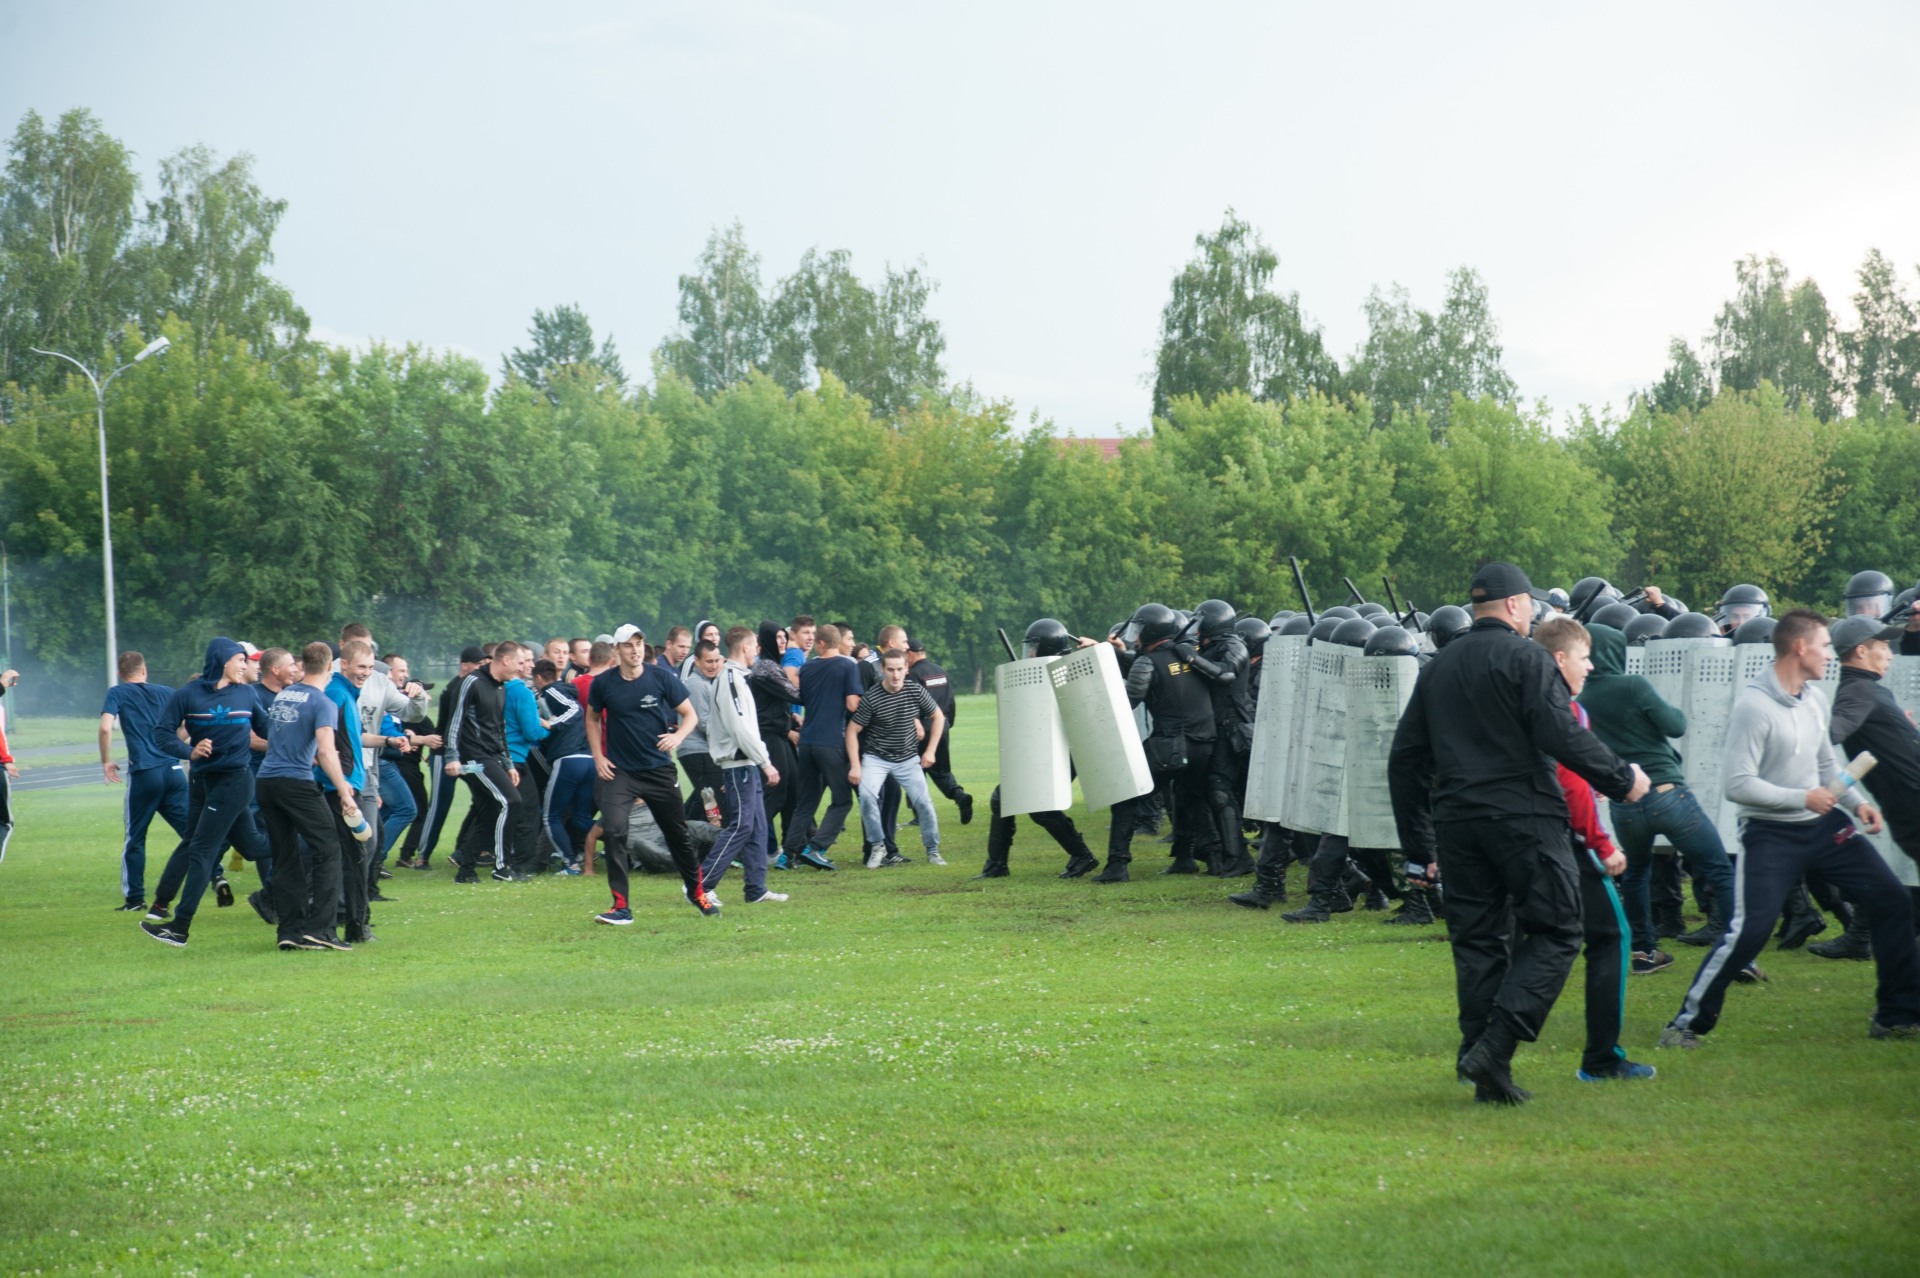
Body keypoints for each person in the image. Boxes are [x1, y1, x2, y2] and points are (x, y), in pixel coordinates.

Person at [1388, 562, 1649, 1105]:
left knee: (1479, 942)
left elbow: (1405, 760)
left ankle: (1483, 1066)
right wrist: (1622, 778)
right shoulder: (1529, 658)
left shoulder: (1438, 666)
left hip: (1457, 823)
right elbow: (1560, 734)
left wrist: (1419, 847)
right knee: (1559, 930)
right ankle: (1495, 1047)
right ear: (1513, 605)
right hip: (1524, 817)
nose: (1532, 612)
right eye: (1528, 603)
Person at [1660, 609, 1920, 1047]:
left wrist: (1856, 803)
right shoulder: (1754, 706)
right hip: (1770, 834)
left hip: (1826, 828)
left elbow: (1825, 765)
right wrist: (1802, 798)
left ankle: (1895, 1017)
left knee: (1892, 900)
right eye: (1824, 646)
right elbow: (1737, 785)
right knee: (1751, 930)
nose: (1830, 656)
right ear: (1800, 648)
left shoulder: (1814, 698)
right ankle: (1684, 1025)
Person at [1577, 622, 1741, 975]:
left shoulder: (1582, 701)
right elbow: (1675, 725)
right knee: (1717, 868)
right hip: (1667, 793)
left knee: (1637, 873)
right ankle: (1738, 954)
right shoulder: (1632, 685)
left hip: (1625, 804)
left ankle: (1643, 952)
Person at [1533, 616, 1656, 1082]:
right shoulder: (1566, 710)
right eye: (1584, 658)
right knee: (1611, 937)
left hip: (1512, 837)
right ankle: (1601, 1059)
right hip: (1564, 842)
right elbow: (1570, 785)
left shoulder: (1517, 704)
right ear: (1559, 659)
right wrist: (1602, 844)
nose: (1589, 668)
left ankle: (1484, 1051)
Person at [138, 638, 274, 947]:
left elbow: (268, 729)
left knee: (201, 849)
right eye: (240, 660)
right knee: (253, 847)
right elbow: (161, 734)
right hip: (200, 781)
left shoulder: (247, 693)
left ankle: (180, 927)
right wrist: (189, 751)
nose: (245, 665)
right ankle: (302, 844)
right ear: (223, 661)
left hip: (235, 781)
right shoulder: (188, 694)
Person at [586, 623, 717, 924]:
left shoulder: (660, 677)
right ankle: (621, 907)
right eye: (628, 645)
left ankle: (697, 893)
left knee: (678, 835)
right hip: (621, 772)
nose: (635, 650)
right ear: (617, 650)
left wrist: (678, 736)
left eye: (639, 644)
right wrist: (598, 757)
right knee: (614, 831)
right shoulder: (603, 684)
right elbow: (591, 719)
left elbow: (690, 715)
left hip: (659, 771)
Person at [1816, 614, 1920, 958]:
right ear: (1861, 651)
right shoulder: (1859, 691)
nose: (1889, 653)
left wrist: (1901, 729)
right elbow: (1831, 733)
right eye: (1883, 646)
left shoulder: (1868, 690)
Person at [1097, 604, 1215, 883]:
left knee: (1126, 797)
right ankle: (1198, 858)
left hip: (1169, 745)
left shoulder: (1147, 662)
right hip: (1204, 744)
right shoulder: (1193, 655)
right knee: (1190, 799)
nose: (1135, 638)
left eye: (1139, 631)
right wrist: (1115, 653)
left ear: (1151, 632)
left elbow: (1128, 701)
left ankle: (1117, 865)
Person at [259, 642, 365, 951]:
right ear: (331, 666)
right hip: (296, 783)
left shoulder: (285, 695)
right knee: (329, 848)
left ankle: (289, 931)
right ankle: (321, 929)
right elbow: (327, 751)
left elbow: (281, 738)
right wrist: (345, 791)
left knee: (285, 855)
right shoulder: (323, 702)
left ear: (302, 665)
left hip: (266, 782)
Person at [975, 619, 1100, 880]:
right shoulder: (1038, 675)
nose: (1029, 653)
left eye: (1033, 647)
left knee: (1036, 804)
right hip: (1044, 749)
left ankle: (1081, 855)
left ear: (1046, 648)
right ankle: (997, 864)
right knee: (1013, 800)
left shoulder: (1069, 673)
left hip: (1066, 751)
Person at [698, 626, 787, 903]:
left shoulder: (736, 678)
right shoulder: (731, 679)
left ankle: (756, 889)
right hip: (739, 765)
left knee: (758, 827)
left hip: (746, 764)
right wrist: (765, 762)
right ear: (746, 647)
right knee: (741, 827)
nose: (758, 651)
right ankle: (700, 886)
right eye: (755, 646)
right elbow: (739, 728)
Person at [99, 651, 191, 912]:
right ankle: (217, 876)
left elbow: (105, 727)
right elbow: (188, 724)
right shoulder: (167, 692)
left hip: (145, 772)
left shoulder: (117, 692)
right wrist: (173, 745)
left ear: (120, 673)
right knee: (192, 832)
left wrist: (106, 761)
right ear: (144, 669)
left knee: (135, 837)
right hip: (174, 770)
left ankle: (135, 899)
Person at [849, 648, 945, 868]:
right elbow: (853, 730)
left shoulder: (915, 690)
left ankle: (933, 850)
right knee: (867, 796)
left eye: (899, 669)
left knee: (924, 802)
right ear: (882, 670)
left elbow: (938, 717)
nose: (895, 675)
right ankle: (878, 846)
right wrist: (855, 765)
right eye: (890, 670)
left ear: (906, 669)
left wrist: (930, 751)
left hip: (907, 758)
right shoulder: (872, 696)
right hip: (876, 758)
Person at [780, 624, 862, 871]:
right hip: (830, 742)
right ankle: (816, 848)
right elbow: (852, 705)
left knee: (806, 802)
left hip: (806, 742)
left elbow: (803, 697)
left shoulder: (808, 668)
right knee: (842, 799)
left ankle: (787, 855)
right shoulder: (848, 666)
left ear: (821, 643)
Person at [445, 641, 523, 884]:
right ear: (506, 660)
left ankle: (465, 870)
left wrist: (508, 764)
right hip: (473, 760)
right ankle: (502, 867)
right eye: (519, 663)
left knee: (488, 811)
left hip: (490, 759)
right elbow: (454, 721)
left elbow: (500, 729)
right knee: (511, 801)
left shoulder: (501, 687)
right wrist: (452, 757)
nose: (521, 669)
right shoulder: (472, 682)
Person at [406, 644, 484, 871]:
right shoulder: (455, 688)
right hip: (444, 754)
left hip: (467, 757)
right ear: (464, 665)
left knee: (485, 796)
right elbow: (453, 725)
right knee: (440, 805)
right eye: (478, 664)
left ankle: (468, 849)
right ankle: (422, 857)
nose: (481, 668)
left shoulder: (474, 685)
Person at [534, 658, 594, 874]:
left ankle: (571, 864)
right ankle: (621, 838)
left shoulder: (551, 691)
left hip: (569, 760)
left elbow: (574, 710)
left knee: (550, 816)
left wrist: (552, 724)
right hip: (588, 760)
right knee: (581, 818)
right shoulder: (560, 691)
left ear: (538, 677)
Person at [749, 622, 802, 866]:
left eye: (784, 637)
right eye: (778, 638)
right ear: (767, 640)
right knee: (776, 791)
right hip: (769, 735)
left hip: (779, 734)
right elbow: (793, 693)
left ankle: (790, 851)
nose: (782, 642)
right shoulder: (766, 667)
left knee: (792, 791)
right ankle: (748, 843)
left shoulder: (772, 665)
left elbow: (777, 701)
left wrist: (791, 718)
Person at [904, 638, 974, 824]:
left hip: (920, 729)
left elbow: (911, 703)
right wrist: (947, 724)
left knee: (914, 772)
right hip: (941, 727)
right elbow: (950, 701)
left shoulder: (913, 674)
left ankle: (919, 815)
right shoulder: (940, 671)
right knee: (942, 772)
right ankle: (959, 795)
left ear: (909, 654)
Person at [502, 643, 548, 879]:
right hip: (517, 759)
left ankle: (469, 858)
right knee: (529, 812)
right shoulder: (522, 692)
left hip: (500, 756)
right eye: (526, 661)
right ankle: (522, 866)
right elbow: (531, 732)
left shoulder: (502, 688)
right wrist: (549, 728)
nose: (531, 665)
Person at [676, 640, 728, 825]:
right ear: (697, 661)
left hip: (703, 751)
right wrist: (730, 735)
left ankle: (678, 836)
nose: (713, 666)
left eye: (716, 661)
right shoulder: (696, 685)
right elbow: (704, 723)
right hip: (697, 751)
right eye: (708, 661)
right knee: (716, 804)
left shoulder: (708, 683)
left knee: (700, 802)